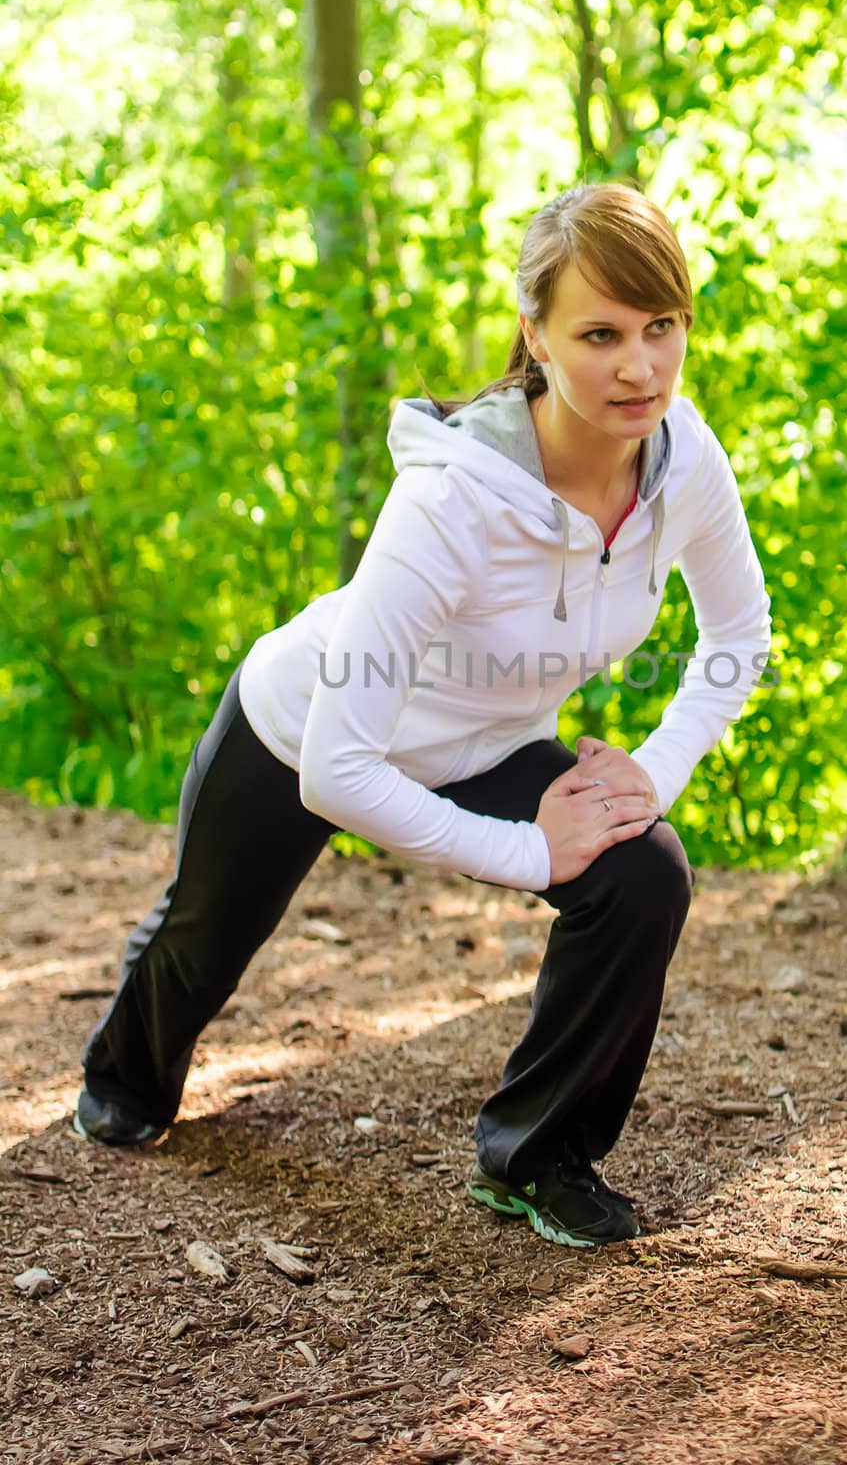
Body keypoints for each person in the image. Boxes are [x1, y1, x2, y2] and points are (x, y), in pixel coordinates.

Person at [75, 182, 771, 1250]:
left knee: (641, 870)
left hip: (483, 743)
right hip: (301, 727)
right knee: (203, 941)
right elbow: (337, 771)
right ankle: (126, 1070)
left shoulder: (682, 458)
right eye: (600, 334)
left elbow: (736, 637)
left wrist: (652, 772)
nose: (640, 366)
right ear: (535, 335)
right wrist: (532, 852)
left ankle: (536, 1156)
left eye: (661, 327)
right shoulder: (453, 497)